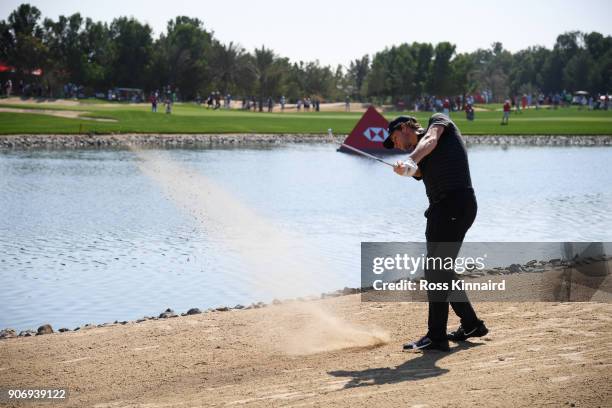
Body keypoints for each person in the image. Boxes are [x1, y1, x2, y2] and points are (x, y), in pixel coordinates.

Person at [382, 114, 488, 351]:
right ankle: (471, 324)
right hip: (441, 210)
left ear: (405, 127)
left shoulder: (438, 123)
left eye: (395, 139)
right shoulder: (421, 156)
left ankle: (436, 336)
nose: (396, 145)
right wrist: (408, 170)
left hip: (454, 205)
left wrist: (410, 159)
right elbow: (420, 172)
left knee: (435, 270)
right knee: (442, 270)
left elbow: (430, 139)